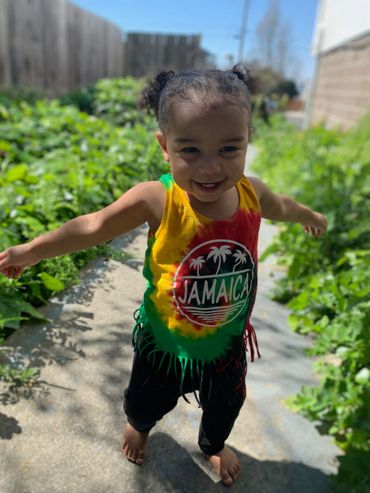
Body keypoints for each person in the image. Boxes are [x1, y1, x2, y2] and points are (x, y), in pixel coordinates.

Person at [0, 66, 327, 486]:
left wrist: (310, 215)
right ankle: (139, 426)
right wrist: (31, 250)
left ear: (248, 139)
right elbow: (93, 226)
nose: (210, 168)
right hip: (164, 342)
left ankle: (212, 445)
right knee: (143, 401)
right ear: (164, 146)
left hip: (227, 341)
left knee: (226, 405)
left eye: (230, 148)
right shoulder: (158, 199)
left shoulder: (252, 192)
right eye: (190, 150)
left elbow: (282, 205)